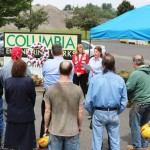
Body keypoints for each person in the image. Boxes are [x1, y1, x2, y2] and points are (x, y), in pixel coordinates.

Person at [85, 53, 128, 150]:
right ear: (113, 65)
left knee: (97, 141)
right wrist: (117, 111)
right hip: (113, 112)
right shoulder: (120, 79)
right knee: (115, 141)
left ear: (102, 65)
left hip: (99, 111)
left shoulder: (95, 79)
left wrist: (93, 112)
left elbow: (88, 102)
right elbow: (124, 100)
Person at [44, 61, 84, 150]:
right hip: (72, 130)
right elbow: (80, 111)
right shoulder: (78, 90)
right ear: (71, 72)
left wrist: (46, 126)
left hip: (55, 129)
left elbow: (47, 111)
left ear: (58, 70)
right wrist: (80, 125)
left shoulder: (50, 89)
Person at [0, 46, 31, 147]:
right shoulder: (26, 68)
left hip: (8, 102)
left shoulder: (4, 69)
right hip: (23, 103)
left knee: (6, 125)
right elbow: (30, 84)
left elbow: (2, 84)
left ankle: (5, 145)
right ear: (21, 55)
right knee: (22, 126)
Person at [40, 43, 73, 137]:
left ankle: (44, 141)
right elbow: (72, 77)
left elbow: (44, 75)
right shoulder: (69, 64)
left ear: (51, 52)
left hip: (49, 93)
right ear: (62, 52)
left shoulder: (47, 63)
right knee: (64, 119)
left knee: (45, 118)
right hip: (65, 93)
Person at [4, 59, 36, 150]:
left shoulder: (8, 81)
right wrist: (29, 108)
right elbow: (33, 98)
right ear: (24, 69)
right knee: (26, 143)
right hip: (26, 115)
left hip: (13, 115)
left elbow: (7, 98)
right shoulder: (29, 81)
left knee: (14, 143)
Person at [126, 55, 150, 150]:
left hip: (139, 102)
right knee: (145, 124)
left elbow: (128, 88)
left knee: (135, 124)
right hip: (149, 101)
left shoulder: (135, 74)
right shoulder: (148, 72)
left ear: (134, 63)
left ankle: (137, 145)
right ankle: (144, 143)